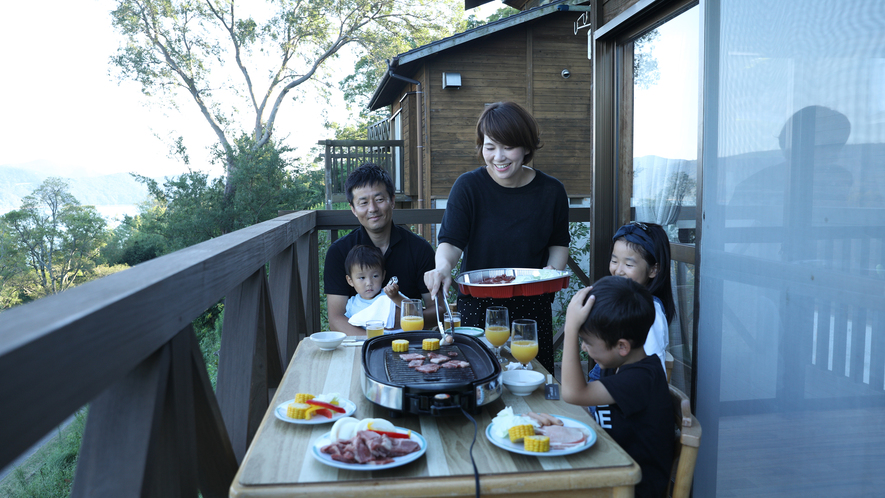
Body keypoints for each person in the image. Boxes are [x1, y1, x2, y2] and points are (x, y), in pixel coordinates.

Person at [424, 101, 570, 373]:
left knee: (534, 386)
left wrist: (553, 271)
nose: (498, 157)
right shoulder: (468, 186)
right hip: (479, 309)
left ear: (526, 147)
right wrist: (442, 267)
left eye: (508, 146)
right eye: (490, 147)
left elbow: (559, 243)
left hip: (532, 310)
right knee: (478, 381)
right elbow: (451, 242)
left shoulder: (552, 191)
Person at [561, 276, 674, 498]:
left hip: (631, 488)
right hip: (608, 469)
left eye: (587, 341)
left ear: (622, 346)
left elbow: (573, 393)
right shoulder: (616, 365)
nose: (583, 347)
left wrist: (571, 328)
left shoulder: (641, 379)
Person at [325, 163, 438, 336]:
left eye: (379, 199)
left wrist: (398, 319)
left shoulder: (419, 249)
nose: (372, 209)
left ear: (392, 200)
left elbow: (438, 310)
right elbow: (336, 319)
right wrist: (374, 340)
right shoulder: (339, 252)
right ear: (353, 209)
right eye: (363, 202)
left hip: (409, 343)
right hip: (359, 346)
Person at [587, 221, 675, 387]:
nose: (618, 271)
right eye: (614, 261)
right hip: (604, 390)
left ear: (653, 270)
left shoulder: (650, 313)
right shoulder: (626, 301)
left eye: (628, 264)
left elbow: (648, 376)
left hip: (618, 397)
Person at [342, 245, 405, 320]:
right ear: (350, 281)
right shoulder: (352, 304)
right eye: (362, 277)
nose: (369, 283)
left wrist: (396, 297)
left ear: (383, 276)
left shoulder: (389, 295)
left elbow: (413, 311)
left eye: (375, 276)